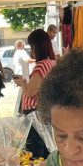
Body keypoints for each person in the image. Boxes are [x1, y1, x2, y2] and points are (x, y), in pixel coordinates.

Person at [16, 29, 57, 158]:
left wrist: (22, 83)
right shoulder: (51, 63)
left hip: (34, 112)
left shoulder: (41, 65)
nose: (31, 50)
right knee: (46, 147)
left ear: (37, 47)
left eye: (32, 47)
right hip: (43, 110)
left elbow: (30, 92)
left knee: (35, 151)